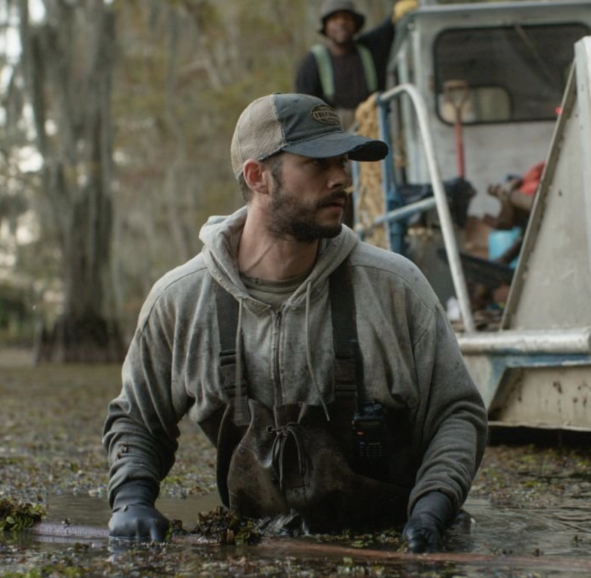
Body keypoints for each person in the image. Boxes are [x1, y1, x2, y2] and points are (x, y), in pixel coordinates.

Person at [103, 92, 488, 554]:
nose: (342, 179)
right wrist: (131, 499)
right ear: (257, 176)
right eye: (318, 163)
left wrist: (434, 506)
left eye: (344, 162)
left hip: (399, 545)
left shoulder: (394, 288)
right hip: (254, 550)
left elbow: (456, 414)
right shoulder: (181, 301)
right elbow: (137, 420)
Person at [295, 0, 416, 128]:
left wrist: (397, 12)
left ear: (355, 24)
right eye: (334, 18)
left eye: (347, 18)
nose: (341, 22)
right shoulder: (313, 62)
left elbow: (388, 27)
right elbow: (305, 108)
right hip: (334, 135)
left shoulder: (370, 49)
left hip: (373, 126)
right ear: (325, 26)